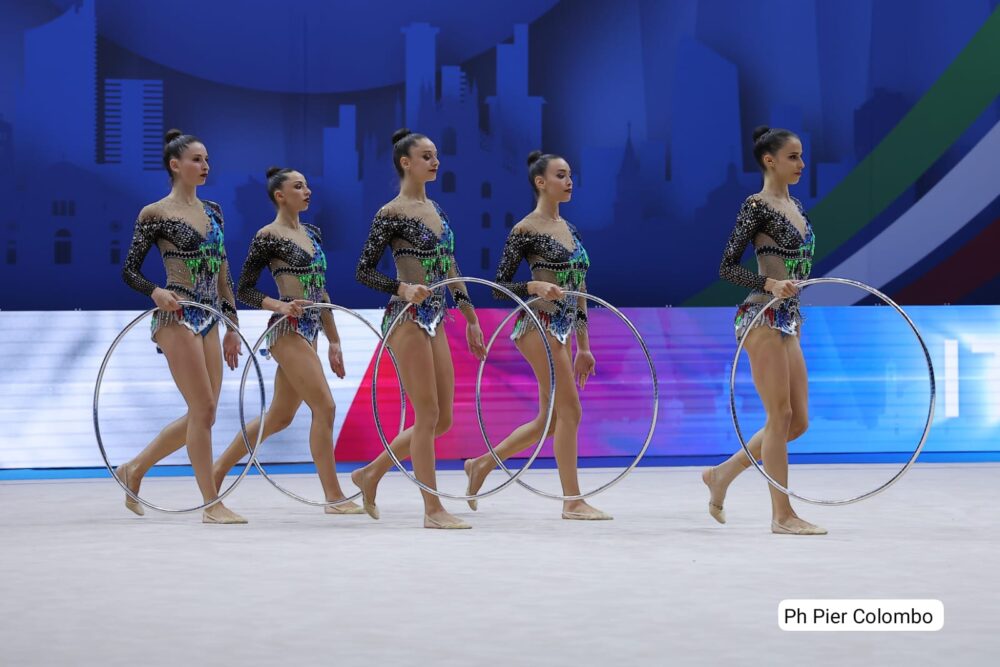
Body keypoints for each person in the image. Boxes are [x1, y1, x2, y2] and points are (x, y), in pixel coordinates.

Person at [352, 128, 487, 529]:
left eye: (436, 155)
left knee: (442, 420)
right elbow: (363, 271)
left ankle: (371, 473)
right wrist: (403, 288)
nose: (435, 161)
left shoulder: (438, 210)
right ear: (405, 162)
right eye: (426, 156)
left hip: (436, 318)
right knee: (426, 413)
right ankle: (432, 509)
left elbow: (451, 267)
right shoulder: (390, 213)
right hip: (405, 317)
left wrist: (471, 318)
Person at [464, 151, 610, 520]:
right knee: (571, 411)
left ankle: (481, 464)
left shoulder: (571, 230)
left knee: (550, 421)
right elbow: (499, 287)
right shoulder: (525, 229)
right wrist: (533, 286)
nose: (569, 181)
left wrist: (584, 347)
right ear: (540, 182)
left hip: (563, 330)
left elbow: (579, 290)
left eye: (570, 174)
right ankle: (572, 501)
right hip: (537, 326)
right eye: (560, 175)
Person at [212, 167, 363, 514]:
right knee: (325, 407)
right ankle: (333, 497)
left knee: (280, 417)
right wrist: (280, 305)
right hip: (286, 330)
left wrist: (334, 340)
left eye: (307, 185)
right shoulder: (268, 235)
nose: (307, 191)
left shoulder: (312, 233)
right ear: (280, 195)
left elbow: (321, 292)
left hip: (311, 332)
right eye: (298, 186)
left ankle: (218, 469)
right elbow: (245, 289)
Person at [118, 129, 246, 524]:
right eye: (196, 159)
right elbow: (130, 270)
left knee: (204, 414)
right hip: (175, 315)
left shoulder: (214, 211)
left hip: (211, 317)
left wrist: (232, 324)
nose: (205, 165)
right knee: (202, 408)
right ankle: (211, 504)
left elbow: (223, 271)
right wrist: (155, 291)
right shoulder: (154, 213)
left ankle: (134, 469)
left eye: (206, 159)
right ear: (175, 165)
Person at [704, 126, 825, 535]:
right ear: (769, 160)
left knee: (797, 422)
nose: (802, 163)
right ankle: (782, 515)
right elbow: (727, 268)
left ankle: (722, 474)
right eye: (793, 156)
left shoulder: (797, 207)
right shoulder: (756, 206)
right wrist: (770, 283)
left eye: (802, 155)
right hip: (761, 316)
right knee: (780, 415)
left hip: (790, 319)